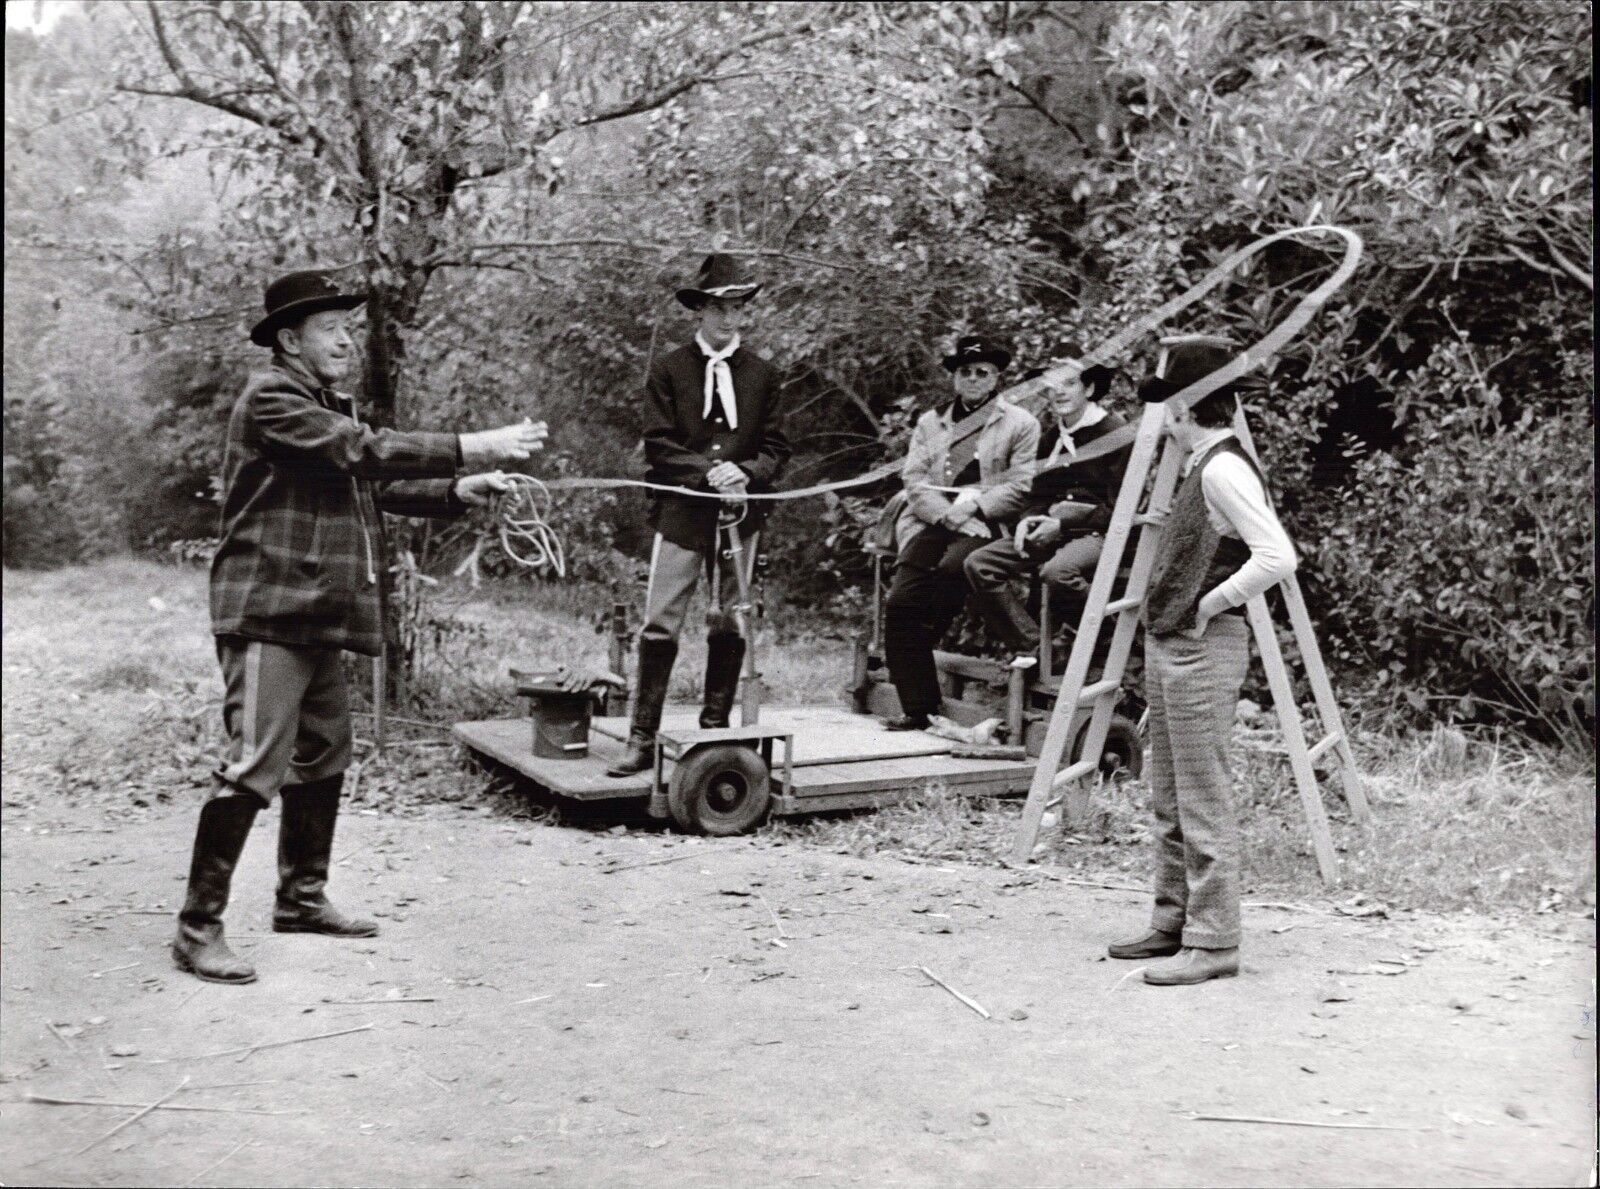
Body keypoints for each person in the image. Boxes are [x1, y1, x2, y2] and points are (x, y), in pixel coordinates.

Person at [176, 269, 547, 985]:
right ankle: (197, 928)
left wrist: (456, 489)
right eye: (329, 328)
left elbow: (365, 478)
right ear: (289, 340)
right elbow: (362, 452)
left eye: (350, 326)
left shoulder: (319, 402)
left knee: (324, 755)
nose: (347, 338)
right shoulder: (273, 397)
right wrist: (473, 445)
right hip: (268, 611)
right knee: (256, 762)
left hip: (317, 610)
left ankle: (301, 898)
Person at [1106, 334, 1297, 986]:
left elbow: (1277, 555)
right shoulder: (1201, 461)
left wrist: (1213, 602)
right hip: (1170, 644)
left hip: (1200, 650)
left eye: (1167, 403)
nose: (1163, 415)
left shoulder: (1222, 467)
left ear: (1188, 404)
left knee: (1202, 797)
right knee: (1167, 793)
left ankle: (1214, 940)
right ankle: (1173, 920)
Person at [606, 254, 791, 777]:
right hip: (682, 512)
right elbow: (658, 444)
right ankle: (642, 739)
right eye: (718, 308)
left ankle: (714, 732)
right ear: (700, 311)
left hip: (739, 516)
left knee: (731, 619)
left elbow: (776, 449)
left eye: (737, 308)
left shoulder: (762, 374)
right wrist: (708, 473)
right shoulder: (669, 370)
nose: (728, 319)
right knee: (660, 623)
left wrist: (745, 474)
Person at [879, 335, 1040, 731]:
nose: (972, 379)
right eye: (964, 372)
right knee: (901, 603)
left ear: (997, 377)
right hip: (936, 523)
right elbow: (914, 481)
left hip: (985, 524)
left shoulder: (1021, 423)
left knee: (951, 572)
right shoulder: (931, 423)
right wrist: (949, 516)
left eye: (982, 372)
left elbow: (1021, 486)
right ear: (954, 377)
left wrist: (975, 507)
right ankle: (918, 708)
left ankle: (932, 682)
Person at [962, 349, 1131, 654]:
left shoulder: (1117, 434)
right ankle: (1034, 646)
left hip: (1102, 533)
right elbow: (1037, 495)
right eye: (1051, 386)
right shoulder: (1052, 437)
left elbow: (1122, 506)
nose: (1057, 392)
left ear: (1090, 388)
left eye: (1068, 384)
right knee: (980, 564)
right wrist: (1030, 518)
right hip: (1053, 530)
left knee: (1057, 573)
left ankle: (1110, 636)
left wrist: (1063, 522)